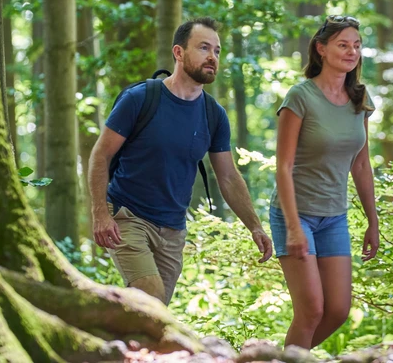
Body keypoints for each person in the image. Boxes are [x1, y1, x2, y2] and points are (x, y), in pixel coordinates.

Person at [87, 17, 273, 303]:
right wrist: (100, 212)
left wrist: (255, 226)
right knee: (151, 296)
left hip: (173, 230)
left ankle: (99, 329)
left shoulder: (214, 115)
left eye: (217, 51)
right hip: (127, 216)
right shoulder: (140, 99)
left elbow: (228, 176)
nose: (212, 57)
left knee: (154, 312)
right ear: (179, 52)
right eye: (203, 47)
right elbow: (101, 154)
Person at [273, 15, 381, 348]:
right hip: (297, 214)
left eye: (357, 46)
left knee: (337, 310)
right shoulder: (300, 96)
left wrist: (373, 221)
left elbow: (361, 164)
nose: (352, 52)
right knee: (311, 311)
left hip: (334, 217)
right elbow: (283, 166)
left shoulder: (360, 99)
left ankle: (287, 357)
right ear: (321, 49)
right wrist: (293, 227)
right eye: (343, 45)